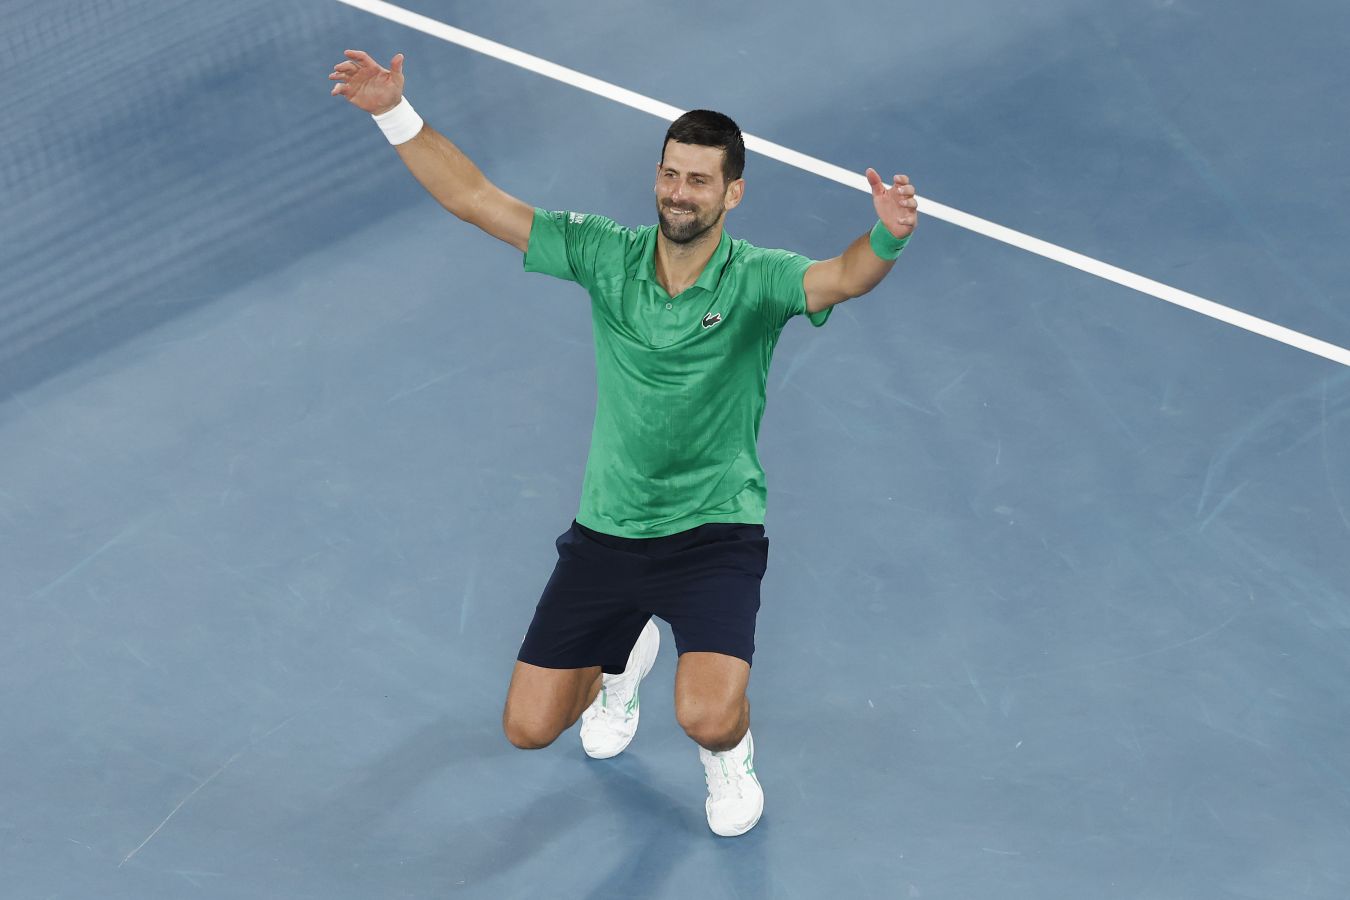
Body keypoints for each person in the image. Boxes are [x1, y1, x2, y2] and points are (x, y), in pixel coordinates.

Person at [329, 48, 917, 837]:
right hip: (608, 531)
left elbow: (841, 276)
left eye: (699, 180)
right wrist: (393, 113)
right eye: (670, 174)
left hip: (713, 532)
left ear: (733, 193)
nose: (679, 191)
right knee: (528, 728)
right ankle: (621, 658)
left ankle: (730, 757)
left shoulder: (758, 279)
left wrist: (886, 238)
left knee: (707, 715)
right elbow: (476, 200)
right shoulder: (606, 253)